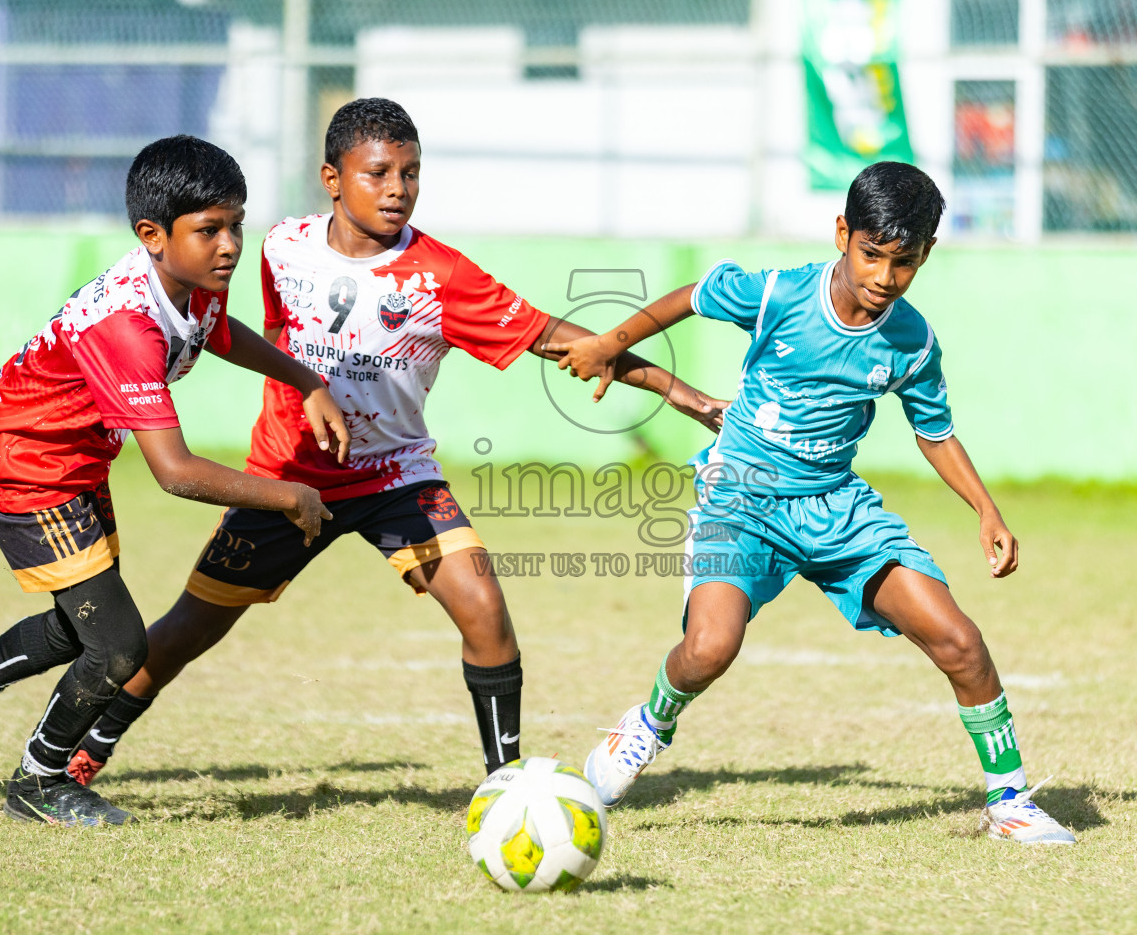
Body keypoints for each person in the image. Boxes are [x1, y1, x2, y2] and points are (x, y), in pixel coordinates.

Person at [66, 98, 723, 785]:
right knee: (189, 628)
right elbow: (261, 335)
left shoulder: (441, 276)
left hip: (394, 476)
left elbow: (557, 339)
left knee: (483, 607)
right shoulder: (281, 247)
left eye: (410, 174)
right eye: (377, 173)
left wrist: (681, 394)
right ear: (332, 178)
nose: (397, 189)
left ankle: (505, 783)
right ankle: (88, 751)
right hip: (289, 475)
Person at [545, 161, 1077, 845]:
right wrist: (608, 343)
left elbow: (935, 432)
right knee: (708, 648)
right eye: (872, 254)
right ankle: (647, 724)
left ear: (926, 254)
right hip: (741, 497)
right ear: (842, 234)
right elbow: (694, 295)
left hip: (836, 507)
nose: (885, 276)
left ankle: (1009, 802)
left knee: (961, 642)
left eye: (905, 262)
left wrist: (986, 509)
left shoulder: (912, 342)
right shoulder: (780, 294)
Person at [0, 135, 349, 826]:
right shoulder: (127, 326)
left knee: (82, 628)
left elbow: (217, 332)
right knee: (117, 645)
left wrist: (304, 378)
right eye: (210, 230)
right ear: (152, 236)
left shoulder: (192, 281)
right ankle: (38, 783)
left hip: (76, 460)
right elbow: (175, 471)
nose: (230, 245)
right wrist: (289, 494)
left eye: (236, 225)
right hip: (26, 463)